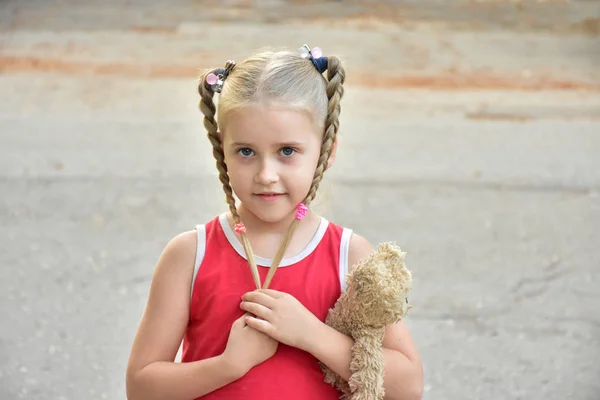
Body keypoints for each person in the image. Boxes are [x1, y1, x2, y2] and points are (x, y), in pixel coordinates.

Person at [126, 45, 423, 400]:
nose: (266, 175)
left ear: (326, 152)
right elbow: (141, 388)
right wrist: (229, 365)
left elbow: (408, 388)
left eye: (287, 151)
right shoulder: (190, 255)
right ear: (222, 150)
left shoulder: (349, 256)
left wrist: (312, 334)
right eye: (246, 151)